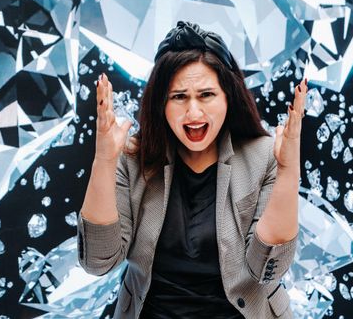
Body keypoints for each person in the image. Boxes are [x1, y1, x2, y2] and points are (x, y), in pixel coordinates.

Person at [77, 21, 307, 319]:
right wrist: (104, 162)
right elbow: (97, 262)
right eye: (179, 97)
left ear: (229, 96)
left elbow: (266, 269)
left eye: (206, 95)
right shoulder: (132, 159)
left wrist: (288, 170)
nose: (194, 113)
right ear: (161, 103)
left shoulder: (263, 156)